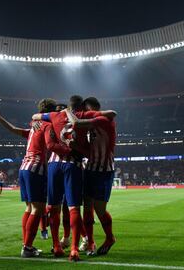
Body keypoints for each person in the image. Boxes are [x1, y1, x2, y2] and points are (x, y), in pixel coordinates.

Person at [32, 95, 116, 261]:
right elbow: (86, 150)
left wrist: (38, 120)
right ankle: (83, 244)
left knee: (81, 208)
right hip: (81, 167)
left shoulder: (95, 119)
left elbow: (38, 118)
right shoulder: (83, 115)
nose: (85, 112)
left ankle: (64, 243)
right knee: (78, 207)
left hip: (99, 169)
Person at [0, 98, 73, 258]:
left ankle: (27, 245)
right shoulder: (48, 125)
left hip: (24, 168)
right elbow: (50, 145)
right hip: (36, 169)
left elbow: (14, 129)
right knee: (39, 209)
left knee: (29, 208)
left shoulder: (33, 126)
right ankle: (27, 247)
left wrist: (0, 119)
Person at [64, 96, 117, 256]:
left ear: (94, 109)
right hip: (91, 169)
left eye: (87, 110)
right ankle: (90, 242)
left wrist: (67, 111)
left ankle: (110, 238)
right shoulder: (93, 128)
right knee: (87, 207)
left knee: (100, 209)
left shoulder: (102, 120)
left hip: (103, 171)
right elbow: (89, 152)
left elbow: (76, 123)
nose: (85, 113)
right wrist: (75, 146)